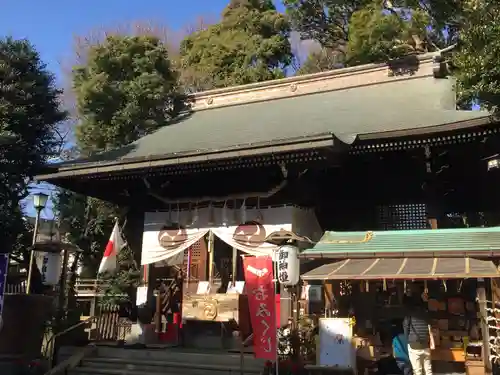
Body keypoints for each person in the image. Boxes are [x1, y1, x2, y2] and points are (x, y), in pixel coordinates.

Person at [403, 298, 435, 375]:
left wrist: (408, 339)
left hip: (414, 345)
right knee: (428, 369)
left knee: (417, 371)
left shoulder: (409, 315)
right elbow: (430, 327)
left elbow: (405, 327)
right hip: (426, 344)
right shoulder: (426, 314)